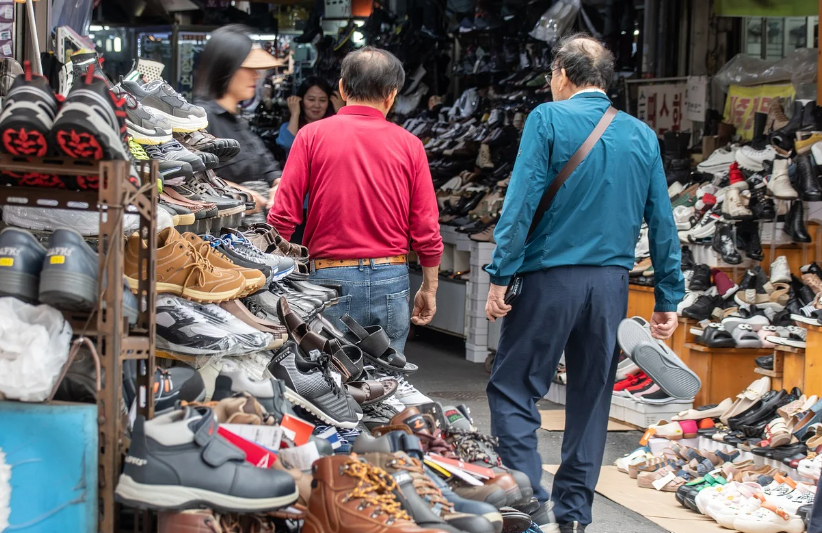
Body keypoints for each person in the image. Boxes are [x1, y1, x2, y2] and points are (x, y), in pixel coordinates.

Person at [483, 34, 684, 533]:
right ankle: (574, 517)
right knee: (591, 400)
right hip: (611, 287)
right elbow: (662, 220)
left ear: (561, 75)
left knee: (513, 388)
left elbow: (521, 203)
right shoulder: (641, 134)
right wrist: (668, 295)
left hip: (550, 278)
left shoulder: (546, 119)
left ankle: (528, 504)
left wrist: (500, 274)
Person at [268, 47, 442, 352]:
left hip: (329, 276)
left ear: (342, 88)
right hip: (392, 277)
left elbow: (283, 215)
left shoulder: (311, 136)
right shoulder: (410, 145)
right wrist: (430, 287)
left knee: (330, 383)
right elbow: (426, 228)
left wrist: (269, 275)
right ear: (391, 94)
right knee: (387, 384)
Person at [194, 25, 283, 214]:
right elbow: (189, 180)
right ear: (227, 67)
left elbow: (270, 169)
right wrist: (235, 193)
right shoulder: (200, 119)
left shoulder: (238, 121)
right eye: (248, 67)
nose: (256, 75)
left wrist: (278, 185)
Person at [276, 77, 342, 155]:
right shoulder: (288, 127)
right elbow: (289, 145)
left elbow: (347, 145)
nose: (317, 105)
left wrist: (340, 113)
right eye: (311, 99)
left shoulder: (333, 128)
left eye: (322, 100)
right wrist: (295, 114)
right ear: (301, 100)